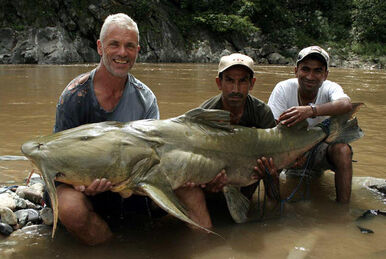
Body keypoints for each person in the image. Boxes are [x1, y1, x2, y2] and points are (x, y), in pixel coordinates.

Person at [52, 13, 160, 246]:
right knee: (70, 209)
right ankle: (110, 248)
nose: (122, 52)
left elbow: (153, 156)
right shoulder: (74, 96)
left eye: (129, 46)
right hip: (79, 184)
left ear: (137, 51)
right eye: (115, 44)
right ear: (100, 47)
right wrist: (79, 183)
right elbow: (57, 160)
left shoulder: (146, 99)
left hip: (130, 183)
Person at [175, 53, 280, 228]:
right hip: (214, 178)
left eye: (243, 81)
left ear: (252, 84)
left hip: (248, 175)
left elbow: (277, 153)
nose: (235, 89)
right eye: (230, 81)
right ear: (219, 83)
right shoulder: (204, 114)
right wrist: (207, 184)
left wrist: (271, 174)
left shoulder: (262, 113)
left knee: (273, 183)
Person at [268, 46, 353, 203]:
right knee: (269, 158)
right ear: (296, 71)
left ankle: (343, 210)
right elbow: (272, 129)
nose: (310, 76)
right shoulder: (283, 88)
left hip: (320, 148)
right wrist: (294, 153)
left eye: (317, 71)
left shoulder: (330, 88)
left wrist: (310, 111)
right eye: (305, 69)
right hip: (288, 147)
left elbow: (346, 104)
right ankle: (274, 207)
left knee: (343, 151)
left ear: (325, 75)